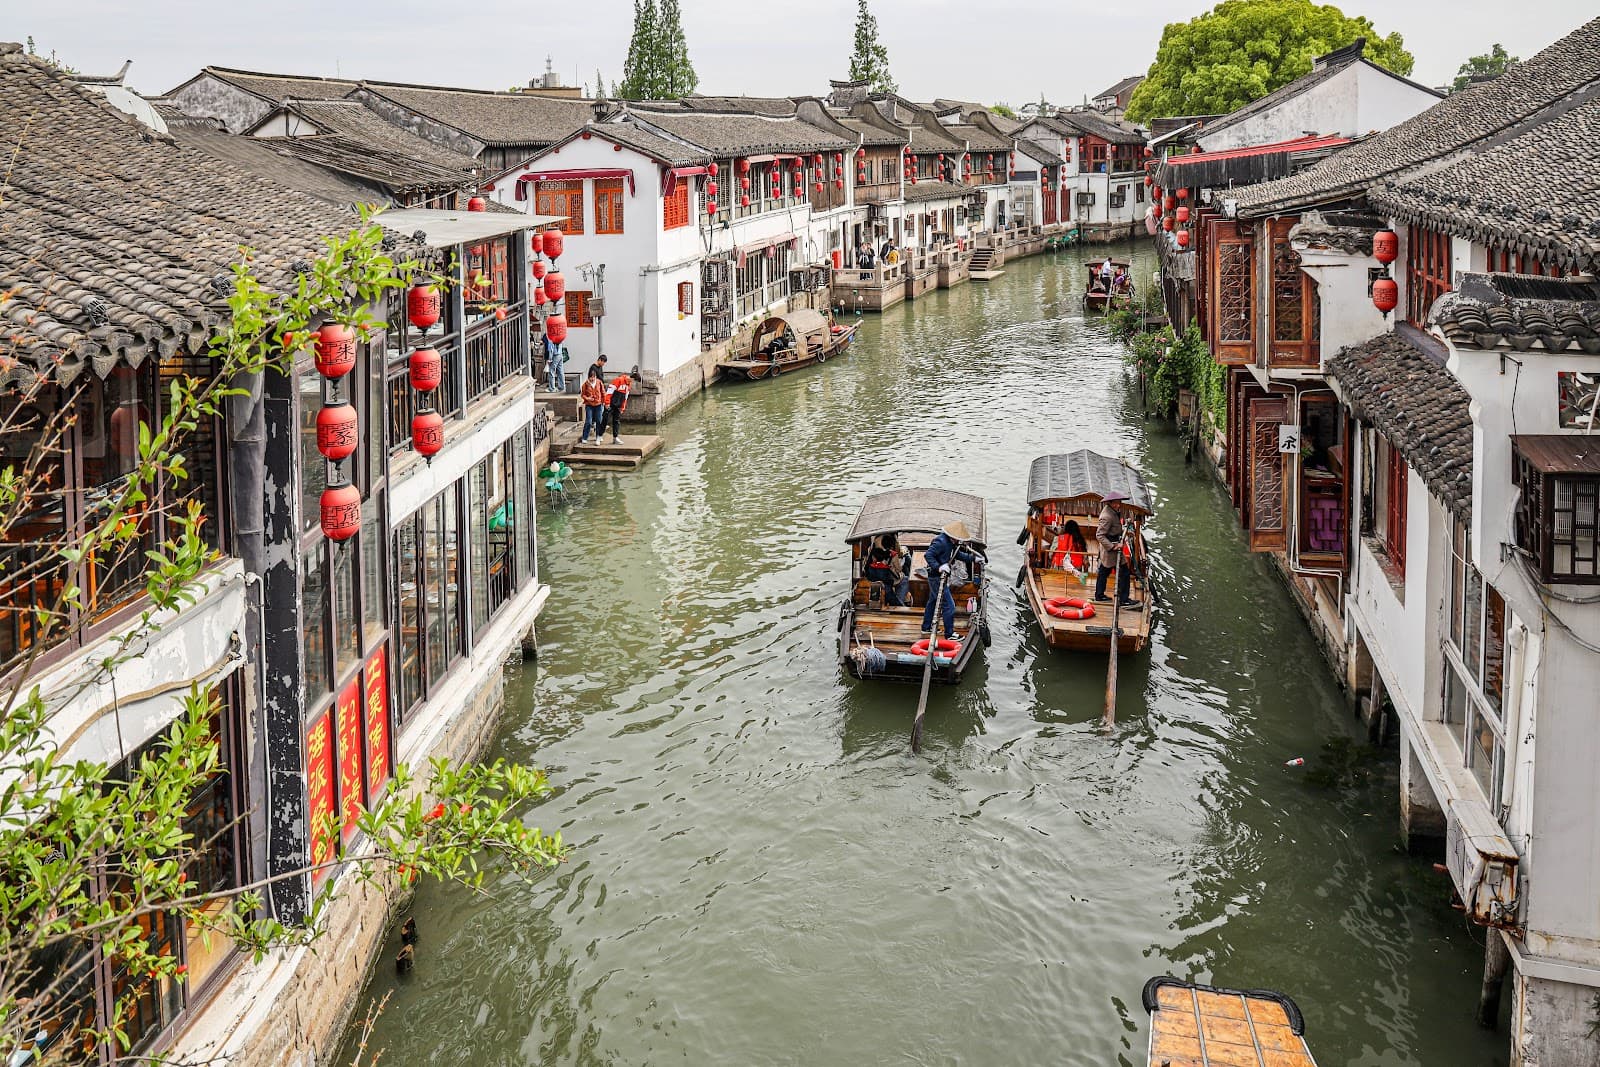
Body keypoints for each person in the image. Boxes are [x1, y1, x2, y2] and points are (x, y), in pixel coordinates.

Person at [921, 520, 986, 638]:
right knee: (949, 606)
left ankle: (926, 628)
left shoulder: (951, 543)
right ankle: (949, 634)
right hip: (936, 577)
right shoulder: (940, 542)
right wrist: (939, 567)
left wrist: (973, 559)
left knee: (932, 601)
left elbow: (958, 555)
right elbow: (928, 555)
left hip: (940, 577)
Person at [1093, 492, 1141, 610]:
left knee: (1104, 572)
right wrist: (1113, 546)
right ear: (1110, 503)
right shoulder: (1107, 516)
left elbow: (1114, 528)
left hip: (1113, 547)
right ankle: (1123, 600)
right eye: (1116, 503)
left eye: (1119, 502)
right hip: (1111, 550)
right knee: (1123, 573)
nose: (1119, 505)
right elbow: (1099, 535)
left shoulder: (1112, 511)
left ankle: (1099, 595)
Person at [864, 534, 911, 607]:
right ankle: (901, 602)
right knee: (905, 579)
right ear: (891, 546)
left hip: (878, 581)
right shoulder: (893, 555)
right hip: (888, 582)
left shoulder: (874, 553)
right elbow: (898, 570)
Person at [578, 367, 606, 444]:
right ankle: (585, 437)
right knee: (589, 421)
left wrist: (604, 402)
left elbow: (603, 392)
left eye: (594, 377)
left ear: (596, 377)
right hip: (589, 405)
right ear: (589, 377)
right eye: (591, 377)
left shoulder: (599, 382)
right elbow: (582, 395)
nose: (592, 379)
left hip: (598, 404)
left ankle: (598, 436)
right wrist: (587, 398)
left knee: (599, 421)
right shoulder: (585, 385)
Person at [606, 372, 633, 444]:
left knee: (616, 421)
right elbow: (609, 392)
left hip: (618, 405)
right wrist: (607, 403)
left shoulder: (628, 385)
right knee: (605, 419)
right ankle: (599, 436)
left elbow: (625, 397)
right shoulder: (619, 380)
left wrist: (623, 407)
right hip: (611, 404)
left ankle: (615, 437)